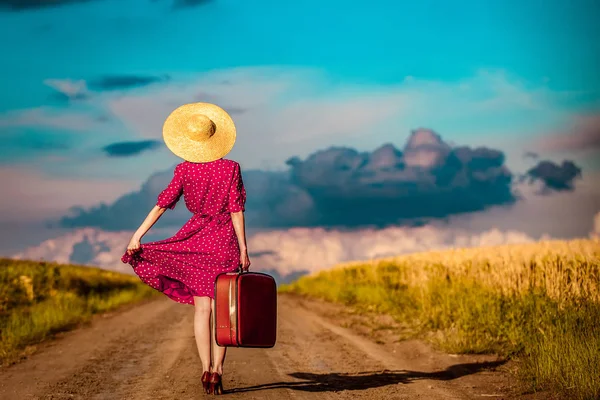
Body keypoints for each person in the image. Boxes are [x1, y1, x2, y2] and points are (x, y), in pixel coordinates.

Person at [120, 102, 250, 395]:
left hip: (195, 239)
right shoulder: (231, 168)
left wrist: (137, 235)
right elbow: (236, 210)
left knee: (202, 308)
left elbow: (162, 204)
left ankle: (205, 369)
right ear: (217, 136)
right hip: (224, 241)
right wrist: (243, 248)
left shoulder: (184, 169)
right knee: (221, 311)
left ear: (190, 141)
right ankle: (218, 370)